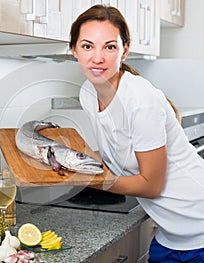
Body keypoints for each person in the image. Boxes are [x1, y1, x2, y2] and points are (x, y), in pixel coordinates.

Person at [69, 4, 204, 263]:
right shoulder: (88, 93)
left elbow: (150, 185)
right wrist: (67, 160)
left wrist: (81, 179)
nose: (97, 58)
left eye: (110, 47)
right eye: (87, 46)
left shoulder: (140, 98)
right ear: (74, 49)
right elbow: (117, 155)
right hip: (170, 236)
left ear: (125, 50)